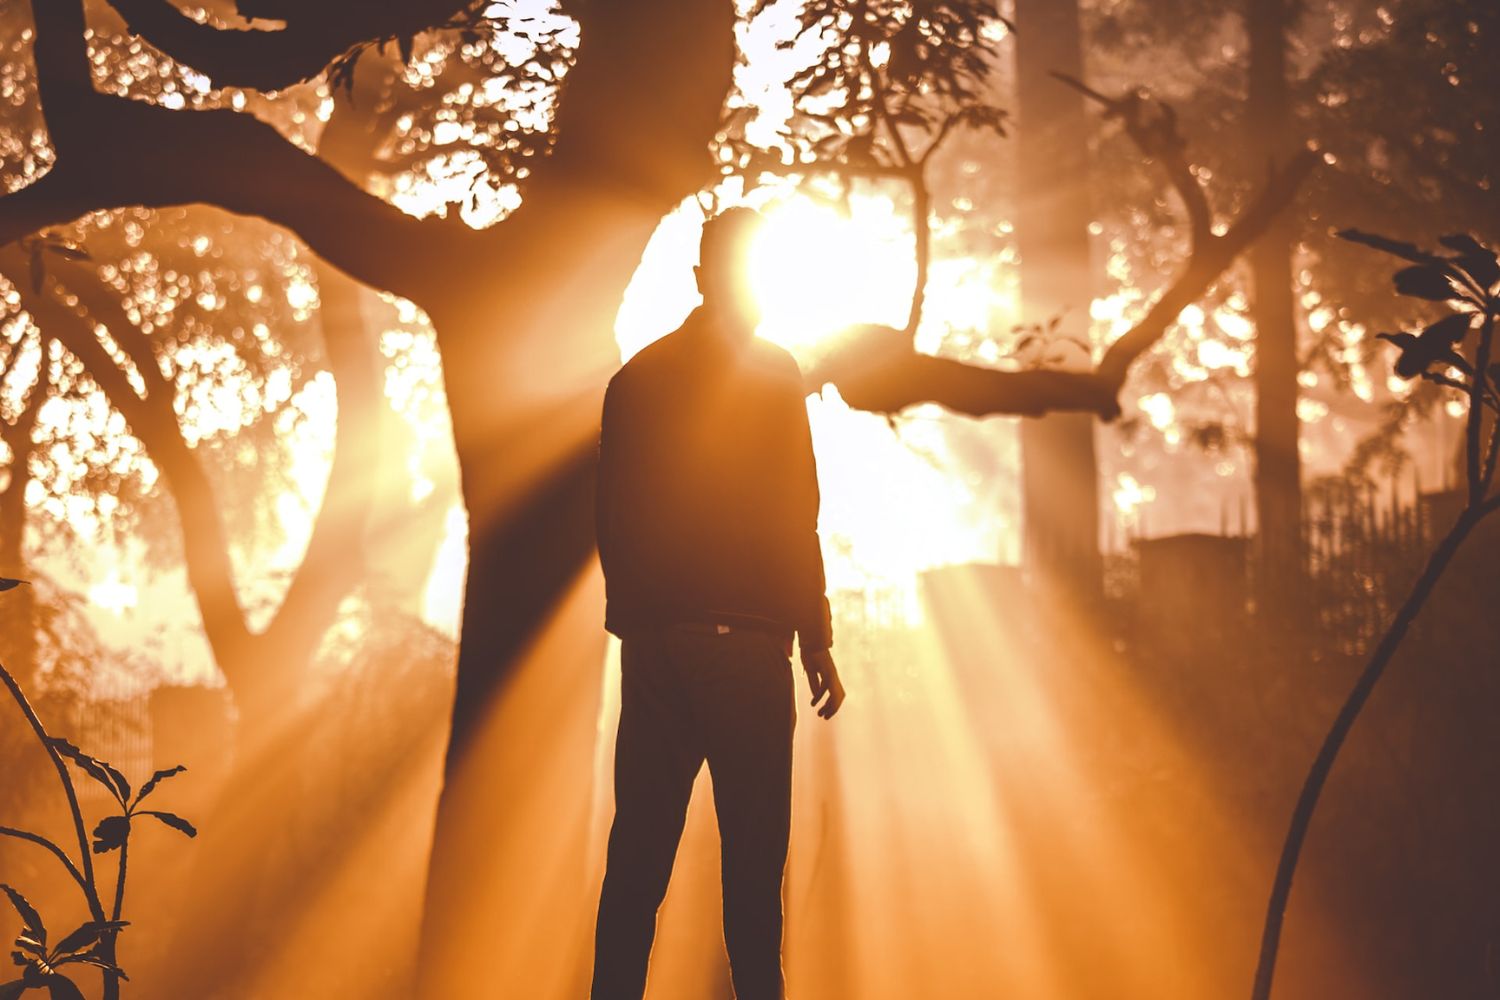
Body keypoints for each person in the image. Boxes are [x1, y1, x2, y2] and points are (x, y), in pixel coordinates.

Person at [591, 207, 846, 1000]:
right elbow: (794, 510)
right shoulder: (774, 374)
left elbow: (612, 514)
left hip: (660, 647)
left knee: (636, 868)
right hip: (747, 650)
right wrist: (815, 638)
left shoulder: (636, 379)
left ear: (702, 279)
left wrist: (639, 625)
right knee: (753, 879)